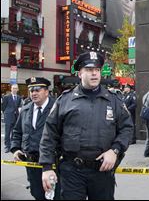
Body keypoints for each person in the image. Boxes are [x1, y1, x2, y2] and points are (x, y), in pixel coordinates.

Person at [39, 51, 133, 200]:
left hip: (102, 171)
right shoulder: (65, 100)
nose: (94, 74)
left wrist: (115, 150)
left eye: (97, 70)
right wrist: (47, 167)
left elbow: (127, 129)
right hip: (72, 172)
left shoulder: (114, 100)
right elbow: (50, 134)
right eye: (89, 70)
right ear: (80, 73)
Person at [10, 77, 60, 200]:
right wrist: (16, 149)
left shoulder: (57, 108)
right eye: (31, 90)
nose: (34, 93)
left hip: (52, 163)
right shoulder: (26, 109)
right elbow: (17, 132)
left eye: (37, 90)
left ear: (47, 92)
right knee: (37, 194)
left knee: (55, 195)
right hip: (32, 163)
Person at [2, 84, 22, 153]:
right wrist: (7, 114)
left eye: (16, 88)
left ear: (17, 89)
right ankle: (7, 146)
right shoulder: (6, 97)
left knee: (14, 132)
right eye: (13, 88)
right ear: (11, 89)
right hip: (8, 117)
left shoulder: (19, 97)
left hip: (16, 117)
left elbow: (19, 106)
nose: (14, 90)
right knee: (7, 133)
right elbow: (3, 107)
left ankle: (12, 146)